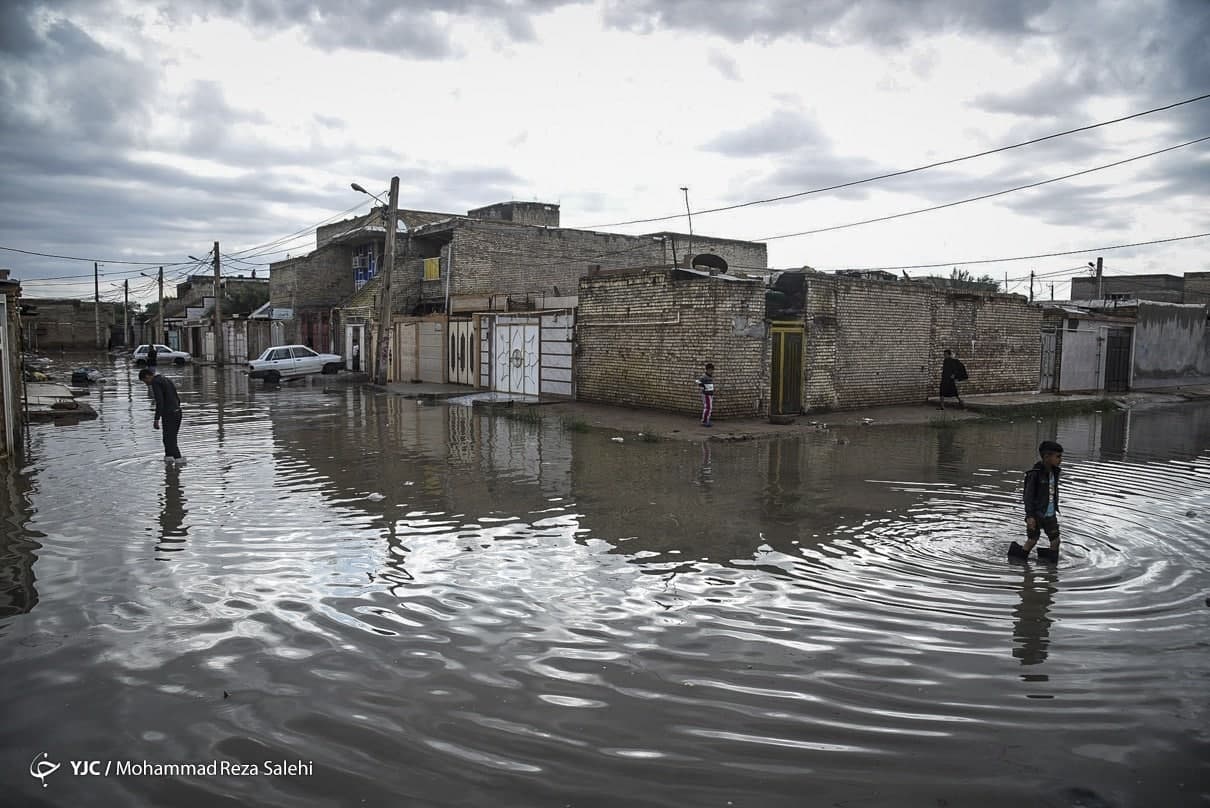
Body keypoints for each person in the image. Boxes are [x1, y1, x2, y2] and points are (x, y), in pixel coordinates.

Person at [1010, 440, 1063, 560]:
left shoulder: (1054, 472)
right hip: (1036, 514)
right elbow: (1028, 497)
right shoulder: (1034, 475)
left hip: (1050, 515)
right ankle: (1018, 560)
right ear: (1046, 457)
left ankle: (1051, 571)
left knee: (1055, 541)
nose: (1060, 460)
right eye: (1058, 457)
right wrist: (1030, 516)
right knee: (1032, 540)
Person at [139, 368, 186, 466]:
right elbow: (176, 397)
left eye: (145, 381)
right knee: (167, 439)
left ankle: (179, 463)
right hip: (177, 412)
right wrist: (176, 408)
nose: (146, 384)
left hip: (170, 414)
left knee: (170, 440)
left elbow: (159, 402)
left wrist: (156, 419)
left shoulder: (155, 383)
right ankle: (169, 464)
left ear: (147, 376)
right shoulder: (165, 379)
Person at [696, 362, 715, 427]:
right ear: (707, 370)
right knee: (708, 407)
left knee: (709, 408)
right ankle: (704, 421)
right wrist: (703, 386)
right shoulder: (704, 376)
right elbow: (698, 381)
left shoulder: (710, 376)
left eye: (712, 370)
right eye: (710, 370)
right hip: (706, 394)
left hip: (710, 394)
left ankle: (706, 420)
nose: (712, 371)